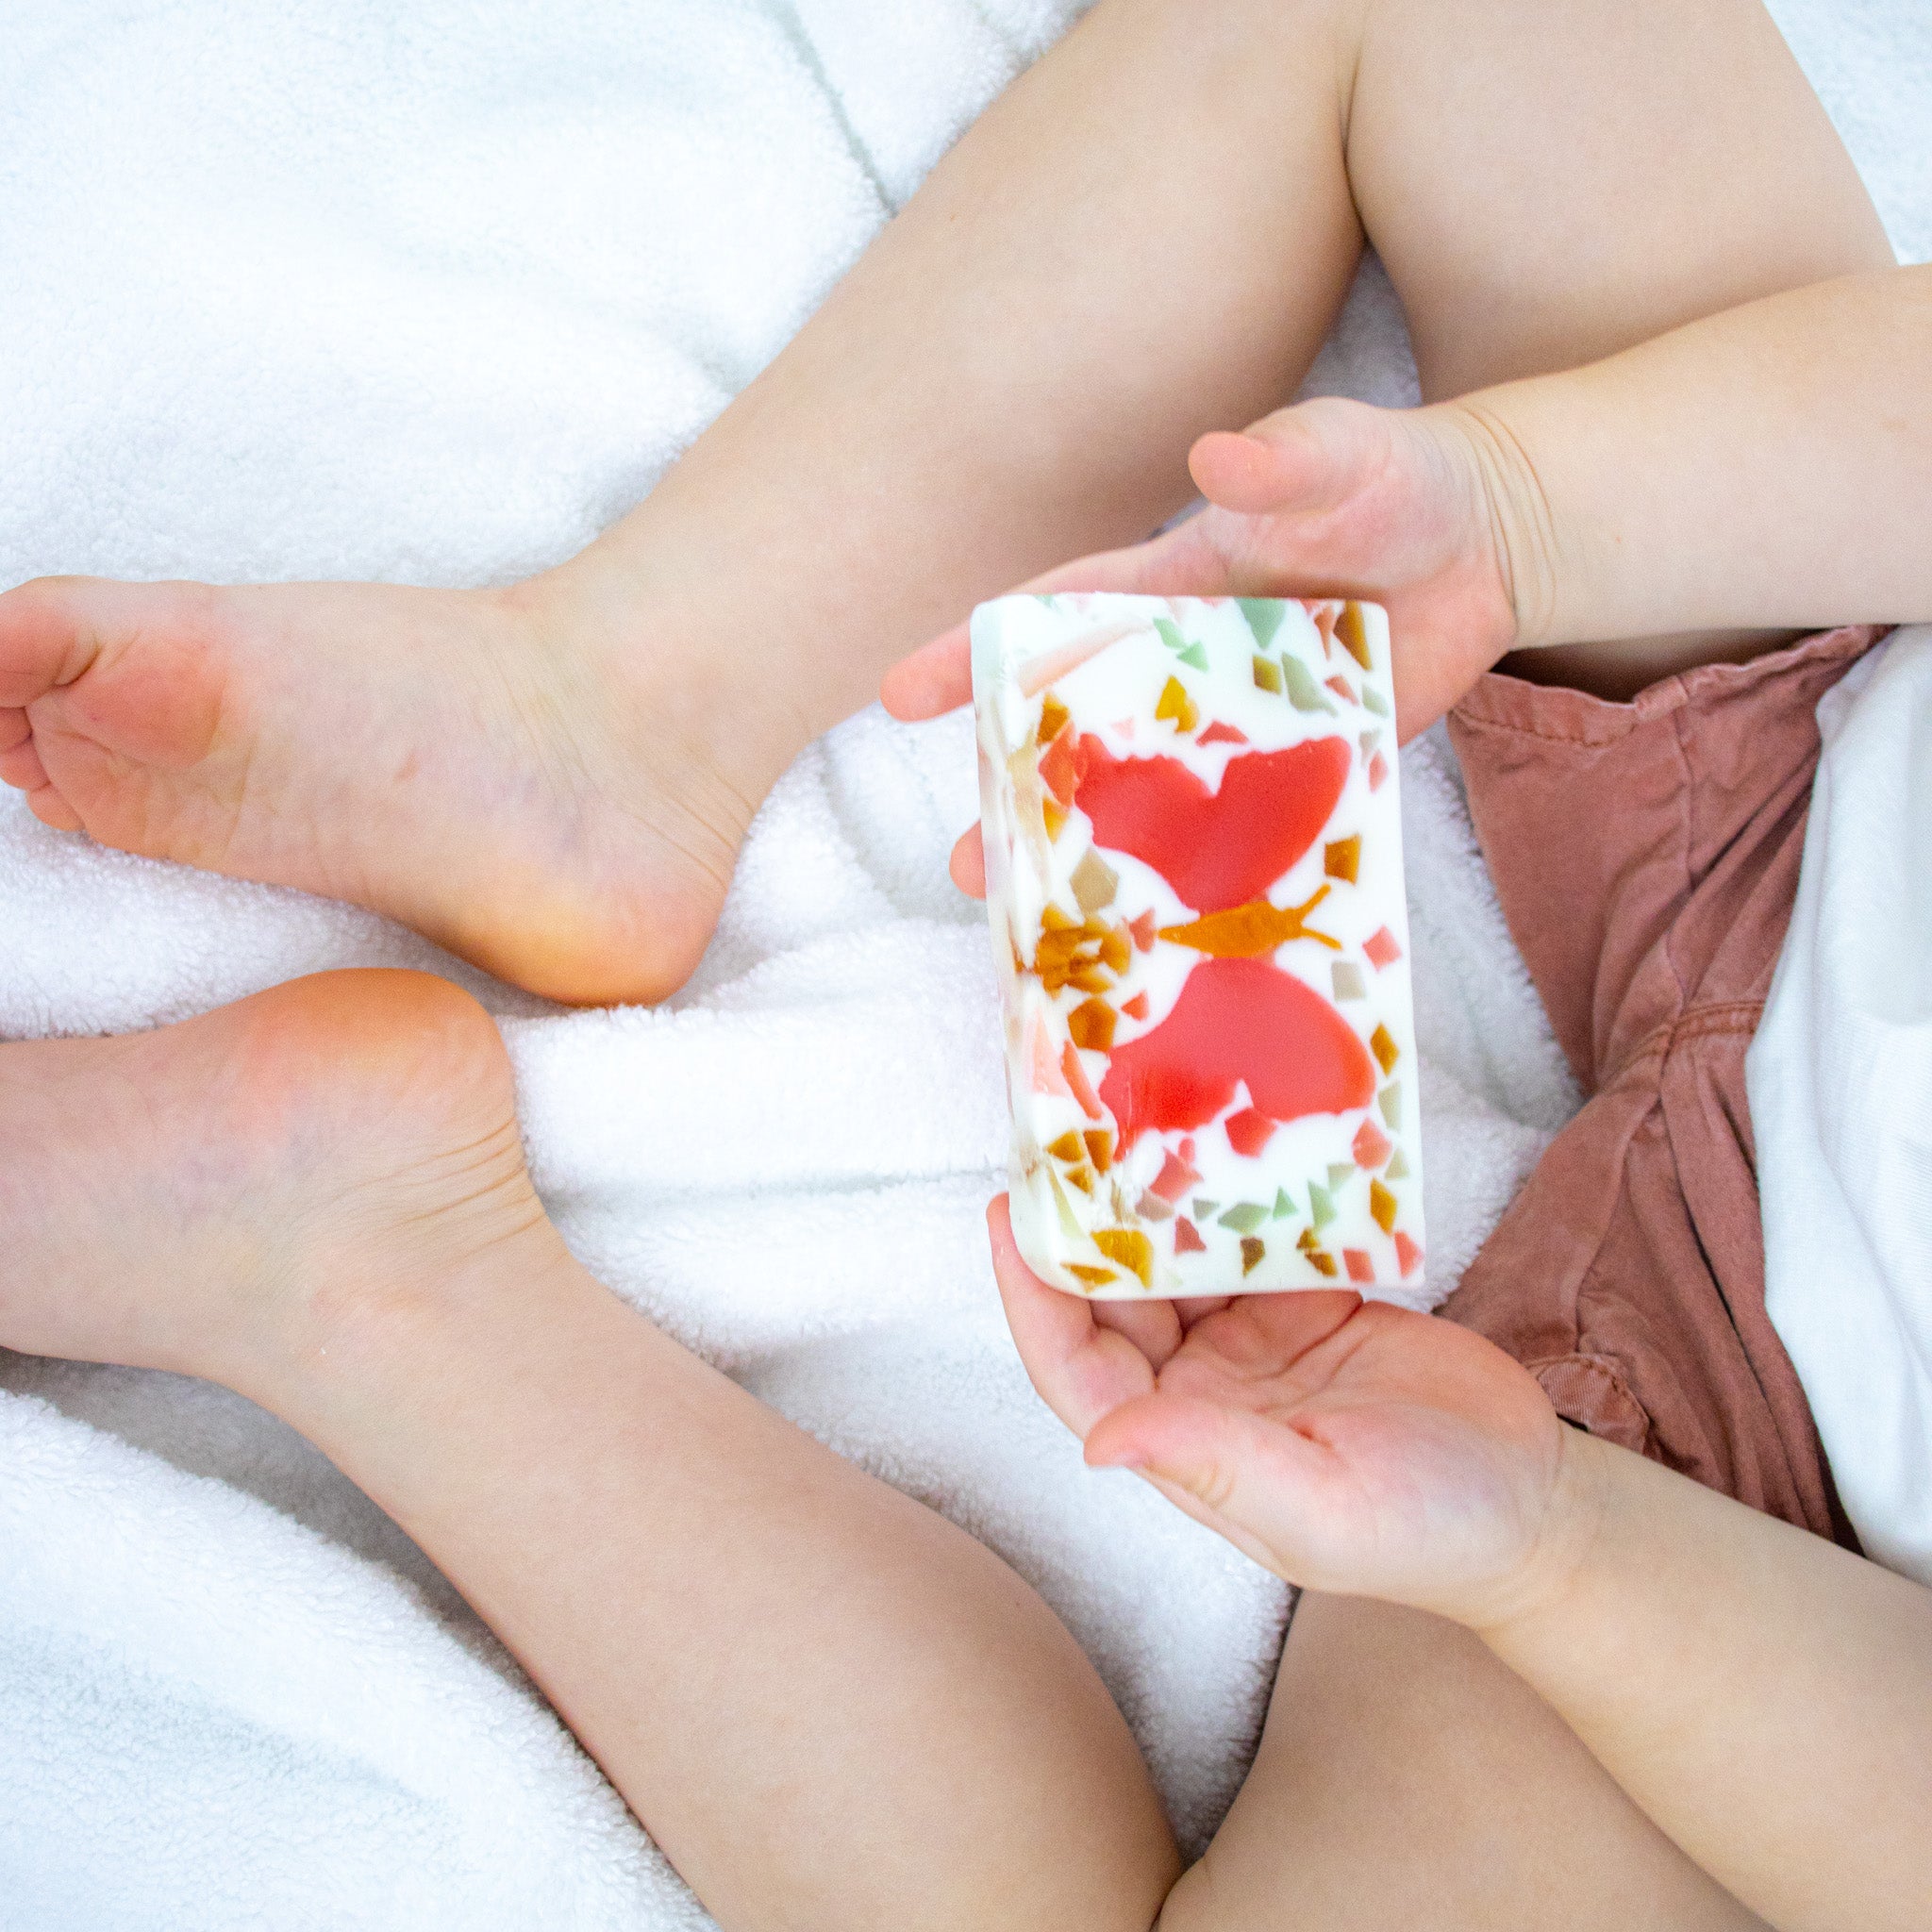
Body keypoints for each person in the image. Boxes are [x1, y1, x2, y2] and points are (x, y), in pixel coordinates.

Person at [0, 1, 1918, 1926]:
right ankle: (615, 708)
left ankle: (367, 1269)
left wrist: (1550, 1544)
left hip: (1747, 1553)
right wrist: (1523, 510)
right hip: (1804, 715)